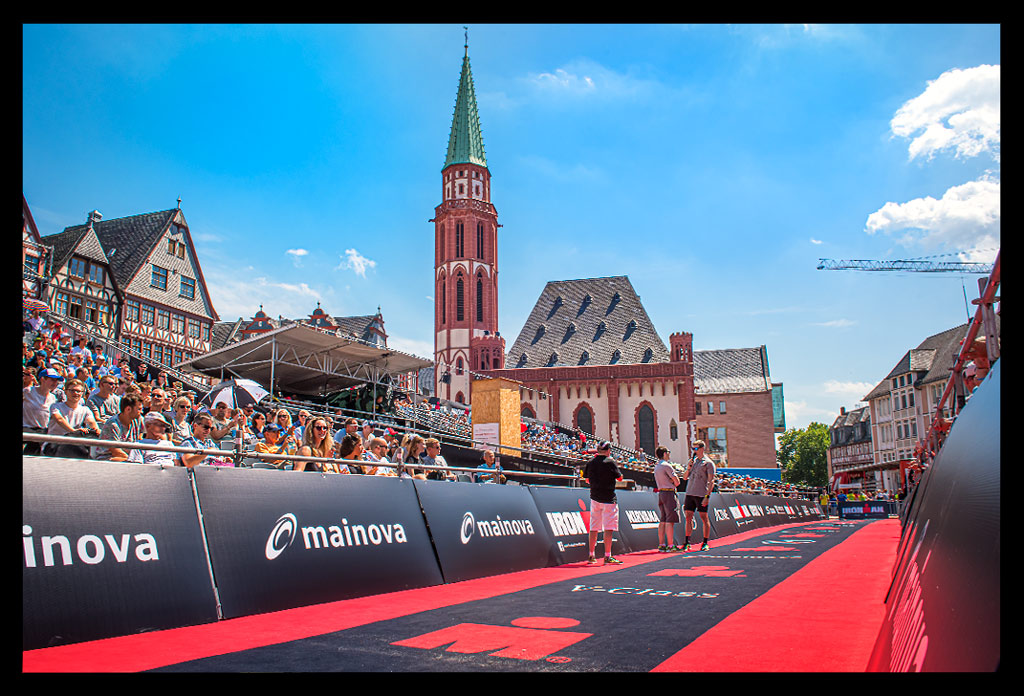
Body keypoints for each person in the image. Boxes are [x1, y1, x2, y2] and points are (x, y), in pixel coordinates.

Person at [583, 441, 624, 565]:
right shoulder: (610, 462)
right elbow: (620, 477)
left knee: (593, 527)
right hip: (608, 498)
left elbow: (586, 479)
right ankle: (607, 555)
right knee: (608, 528)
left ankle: (591, 555)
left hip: (595, 497)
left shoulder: (591, 462)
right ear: (608, 450)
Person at [44, 378, 102, 458]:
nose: (75, 393)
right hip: (55, 444)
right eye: (72, 390)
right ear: (65, 392)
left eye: (78, 391)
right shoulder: (55, 406)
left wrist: (97, 430)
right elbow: (59, 419)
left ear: (82, 393)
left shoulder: (85, 410)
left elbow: (91, 422)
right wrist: (74, 432)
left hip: (75, 445)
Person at [681, 440, 715, 552]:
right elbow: (684, 477)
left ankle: (705, 542)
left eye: (696, 448)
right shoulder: (692, 462)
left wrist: (707, 496)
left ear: (702, 449)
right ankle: (687, 542)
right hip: (690, 492)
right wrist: (688, 467)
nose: (694, 451)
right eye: (693, 449)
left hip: (701, 494)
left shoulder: (708, 463)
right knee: (688, 517)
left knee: (704, 517)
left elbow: (711, 481)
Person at [93, 393, 144, 462]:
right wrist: (132, 460)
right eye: (139, 409)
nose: (141, 412)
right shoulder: (113, 424)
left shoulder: (137, 421)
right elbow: (115, 450)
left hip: (128, 457)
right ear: (128, 409)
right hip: (108, 458)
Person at [653, 446, 682, 552]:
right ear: (665, 453)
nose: (669, 454)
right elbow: (677, 482)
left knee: (663, 519)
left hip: (661, 492)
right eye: (668, 452)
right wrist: (671, 481)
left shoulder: (657, 466)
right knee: (670, 520)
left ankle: (662, 544)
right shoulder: (666, 466)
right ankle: (671, 545)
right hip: (669, 492)